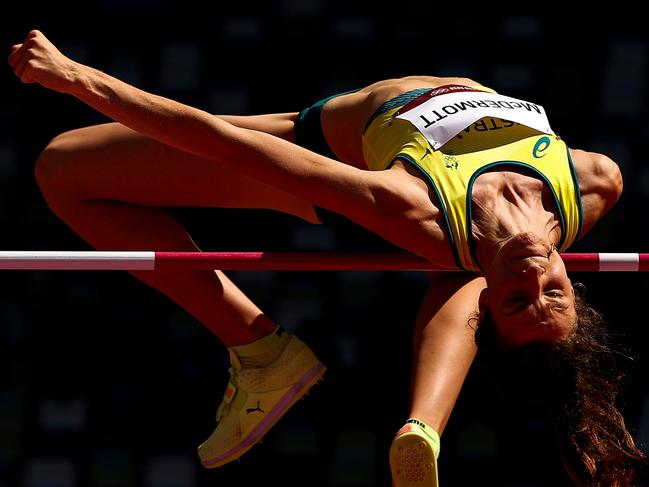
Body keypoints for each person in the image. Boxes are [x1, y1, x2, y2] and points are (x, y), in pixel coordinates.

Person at [8, 30, 647, 486]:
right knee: (66, 165)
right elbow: (473, 292)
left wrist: (77, 78)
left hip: (325, 154)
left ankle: (259, 349)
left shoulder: (411, 208)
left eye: (515, 301)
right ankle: (422, 424)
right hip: (344, 133)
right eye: (553, 296)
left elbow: (224, 143)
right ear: (573, 278)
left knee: (63, 171)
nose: (535, 277)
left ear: (489, 298)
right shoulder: (593, 182)